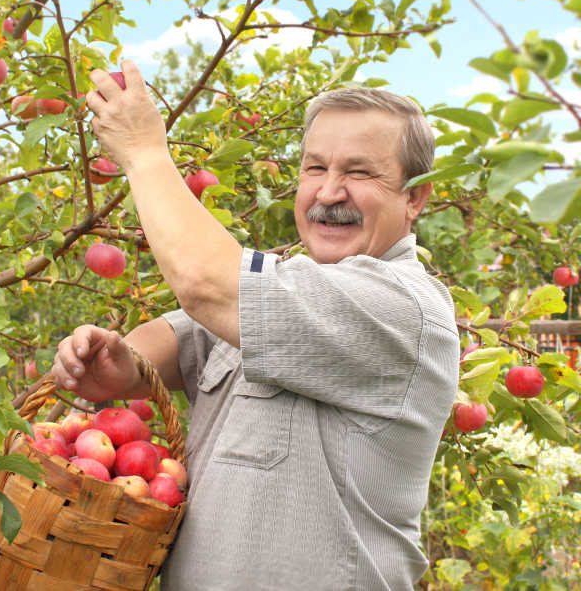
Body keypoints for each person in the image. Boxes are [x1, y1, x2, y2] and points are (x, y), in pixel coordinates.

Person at [51, 62, 460, 591]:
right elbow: (186, 333)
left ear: (414, 199)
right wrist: (120, 361)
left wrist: (146, 153)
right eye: (315, 168)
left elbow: (206, 284)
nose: (330, 192)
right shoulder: (290, 281)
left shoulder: (402, 306)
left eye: (360, 173)